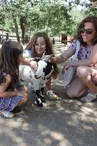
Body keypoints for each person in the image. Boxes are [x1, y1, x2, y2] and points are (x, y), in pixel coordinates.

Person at [51, 16, 97, 102]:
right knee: (72, 93)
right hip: (87, 74)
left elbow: (91, 62)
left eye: (89, 31)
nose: (84, 33)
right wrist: (51, 59)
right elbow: (63, 57)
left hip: (93, 72)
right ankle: (92, 86)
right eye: (82, 30)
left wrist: (72, 63)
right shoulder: (77, 43)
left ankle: (94, 93)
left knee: (81, 70)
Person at [23, 32, 59, 99]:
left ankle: (49, 90)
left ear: (46, 45)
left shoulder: (48, 55)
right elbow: (20, 60)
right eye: (36, 44)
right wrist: (29, 62)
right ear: (33, 44)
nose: (39, 47)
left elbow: (55, 75)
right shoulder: (28, 52)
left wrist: (54, 71)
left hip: (41, 75)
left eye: (42, 44)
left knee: (47, 67)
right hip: (31, 76)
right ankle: (31, 84)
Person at [0, 40, 28, 119]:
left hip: (6, 91)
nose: (22, 58)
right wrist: (16, 92)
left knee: (25, 89)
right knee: (23, 99)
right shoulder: (7, 76)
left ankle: (10, 105)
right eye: (20, 56)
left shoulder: (10, 68)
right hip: (1, 95)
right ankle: (2, 109)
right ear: (13, 59)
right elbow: (1, 94)